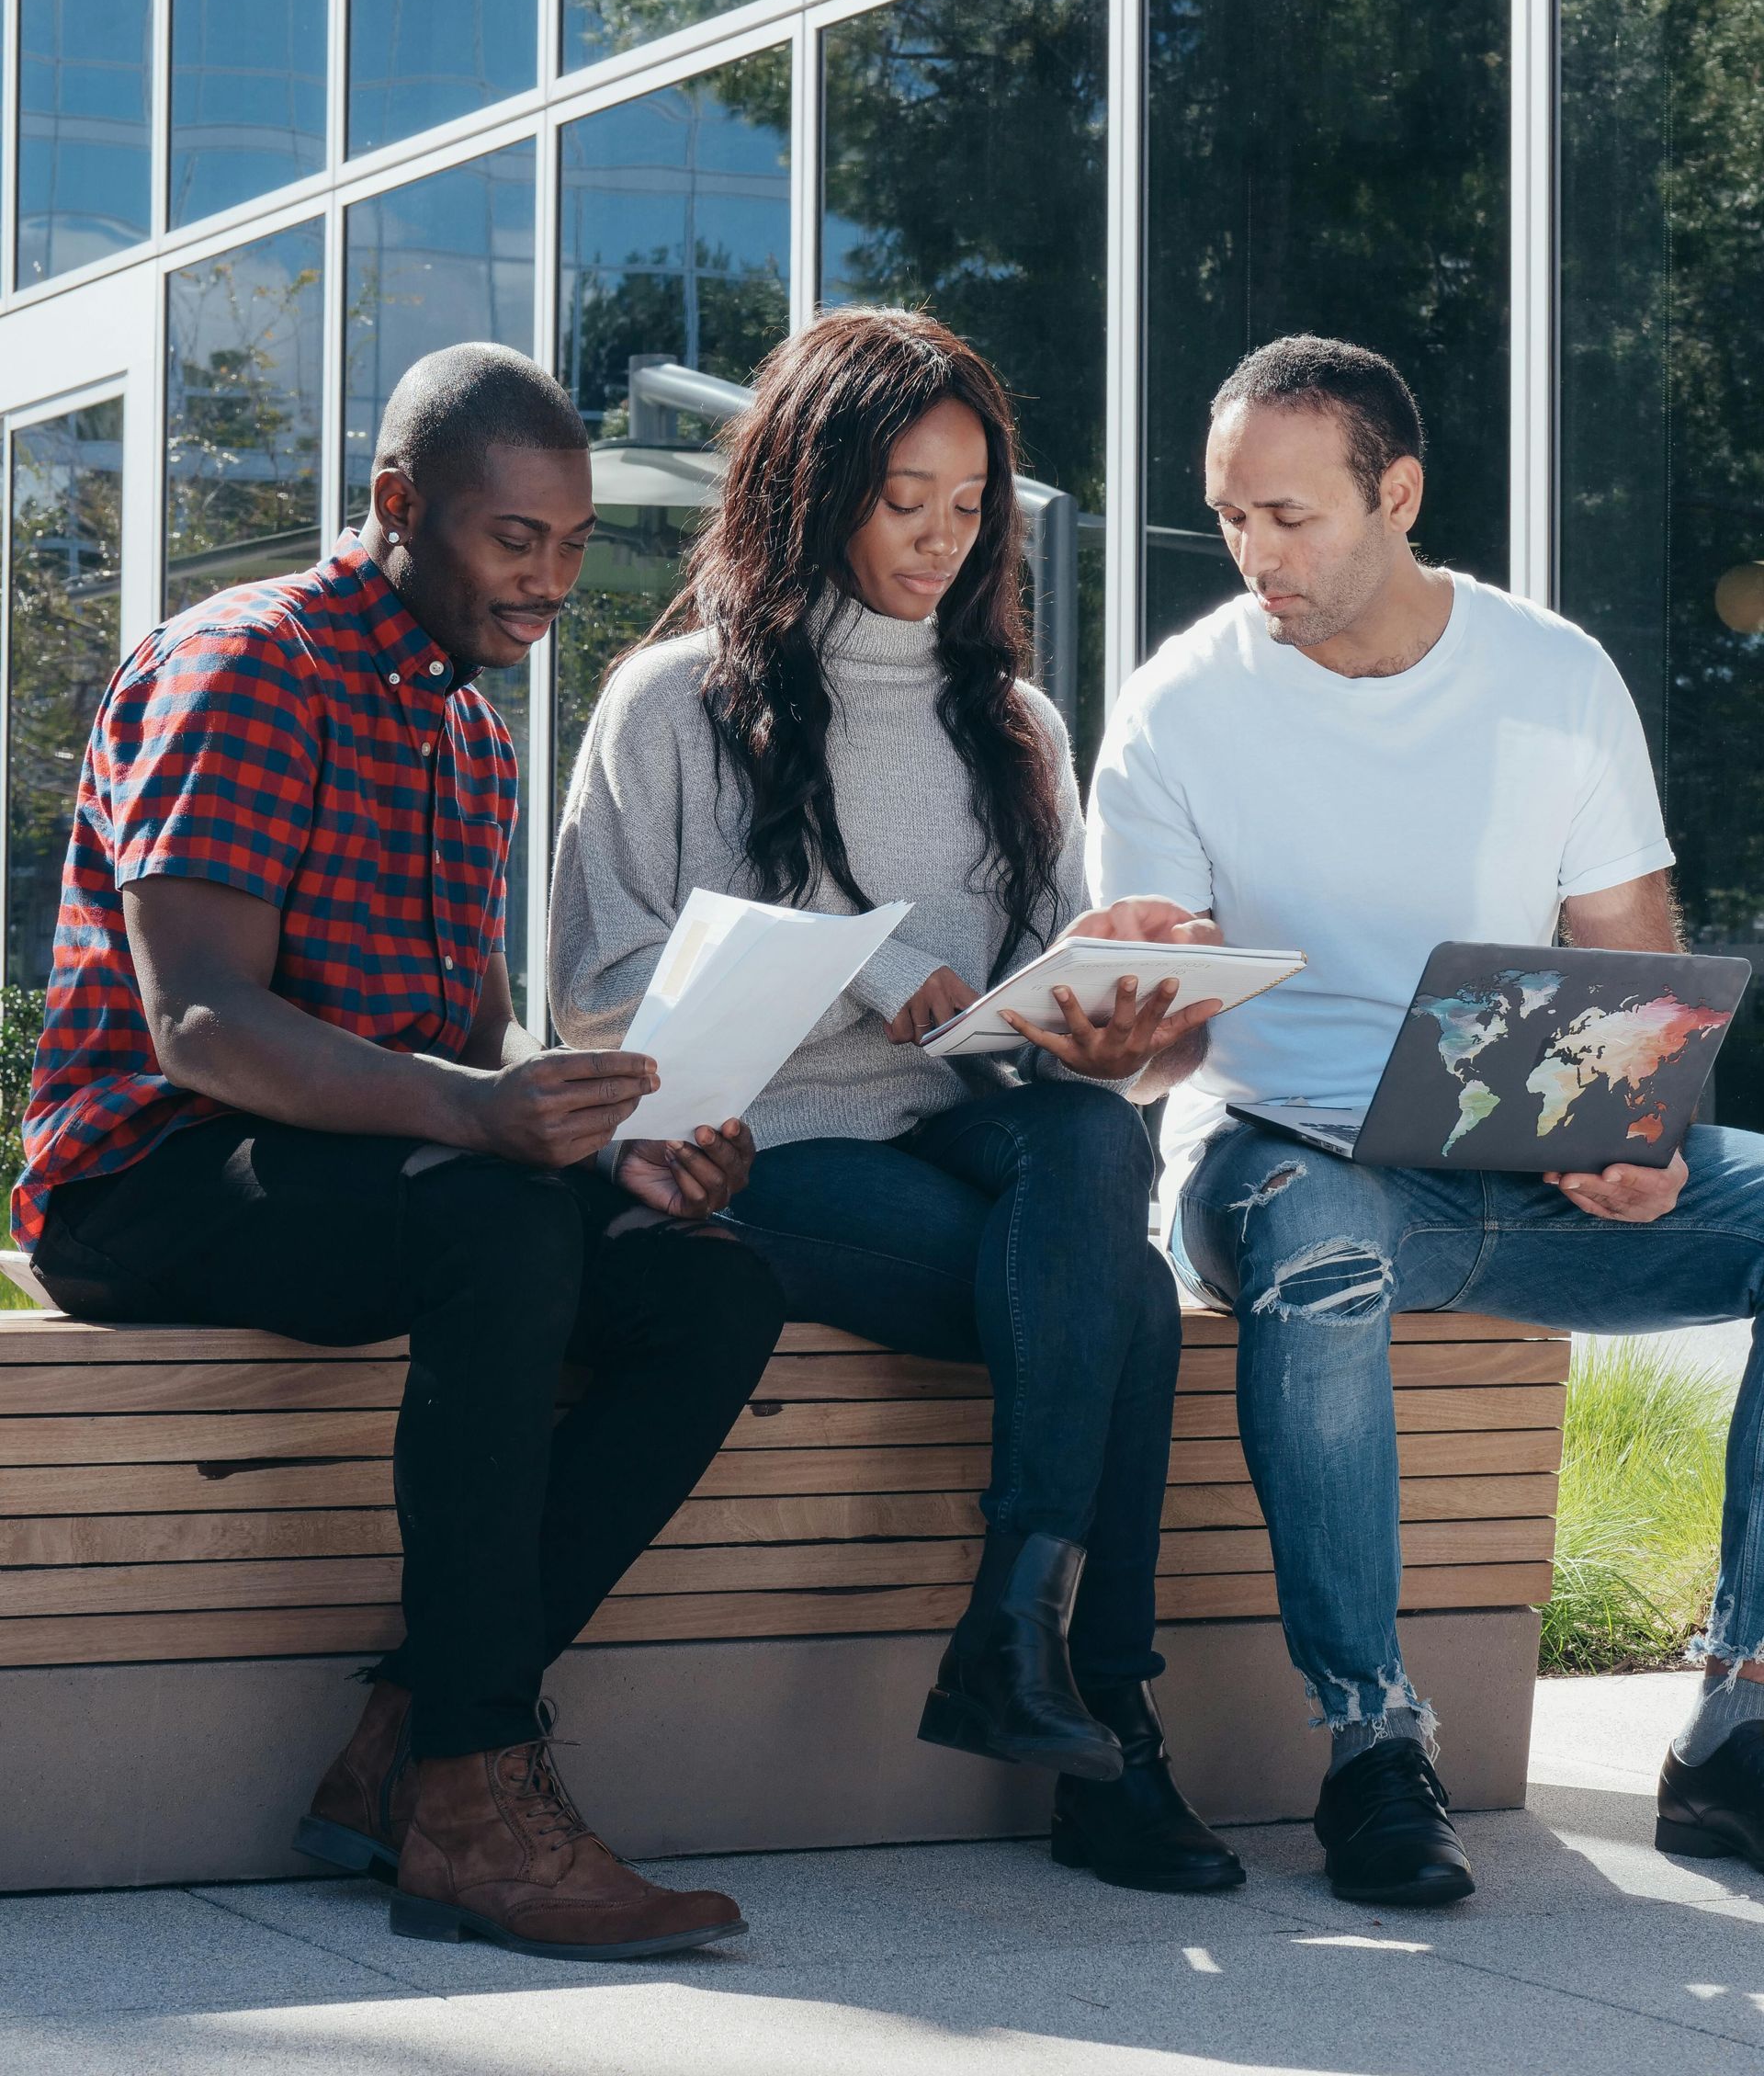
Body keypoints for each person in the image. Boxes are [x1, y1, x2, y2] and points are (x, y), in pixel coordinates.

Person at [17, 343, 785, 1962]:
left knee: (706, 1290)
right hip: (149, 1182)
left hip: (366, 1182)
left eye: (575, 546)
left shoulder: (471, 739)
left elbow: (472, 1057)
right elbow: (203, 1028)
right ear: (396, 507)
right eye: (518, 541)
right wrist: (482, 1122)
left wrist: (612, 1153)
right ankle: (473, 1800)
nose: (553, 583)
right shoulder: (245, 667)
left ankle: (400, 1747)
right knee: (493, 1226)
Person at [550, 305, 1241, 1894]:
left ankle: (1018, 1623)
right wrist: (864, 973)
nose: (943, 540)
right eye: (903, 499)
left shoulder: (1013, 725)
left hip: (972, 1129)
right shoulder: (671, 703)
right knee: (1126, 1302)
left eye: (969, 505)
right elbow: (596, 980)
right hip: (766, 1147)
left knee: (1082, 1126)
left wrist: (1103, 1014)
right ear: (811, 485)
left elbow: (1016, 1011)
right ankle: (1105, 1726)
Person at [1086, 331, 1764, 1908]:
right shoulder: (1180, 709)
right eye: (1232, 516)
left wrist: (1642, 1138)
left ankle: (1736, 1725)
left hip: (1505, 1164)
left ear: (1396, 494)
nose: (1256, 551)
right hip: (1280, 1157)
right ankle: (1373, 1751)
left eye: (1290, 515)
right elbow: (1147, 1070)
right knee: (1320, 1250)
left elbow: (1633, 960)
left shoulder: (1548, 674)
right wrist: (1136, 1035)